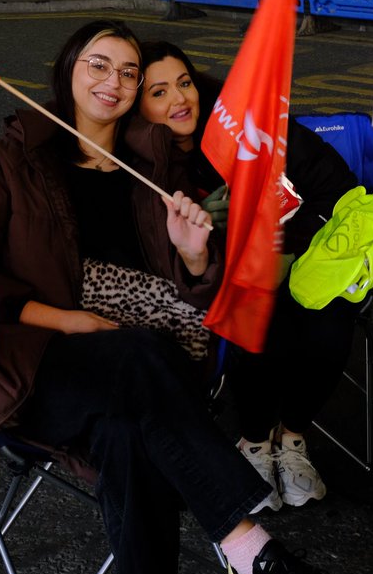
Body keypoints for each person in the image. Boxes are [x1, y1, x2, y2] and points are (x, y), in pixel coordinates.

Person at [0, 21, 362, 574]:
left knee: (130, 436)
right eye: (99, 65)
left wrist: (195, 254)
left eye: (127, 73)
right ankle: (246, 546)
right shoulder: (8, 160)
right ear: (69, 67)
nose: (113, 82)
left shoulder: (155, 164)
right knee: (138, 359)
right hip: (34, 366)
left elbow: (195, 291)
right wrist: (65, 319)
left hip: (145, 377)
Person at [138, 40, 361, 511]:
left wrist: (278, 239)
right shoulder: (146, 169)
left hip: (301, 260)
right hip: (218, 287)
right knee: (256, 311)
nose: (180, 99)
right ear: (140, 107)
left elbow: (336, 188)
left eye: (184, 83)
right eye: (159, 93)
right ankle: (255, 442)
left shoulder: (251, 126)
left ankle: (294, 437)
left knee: (333, 317)